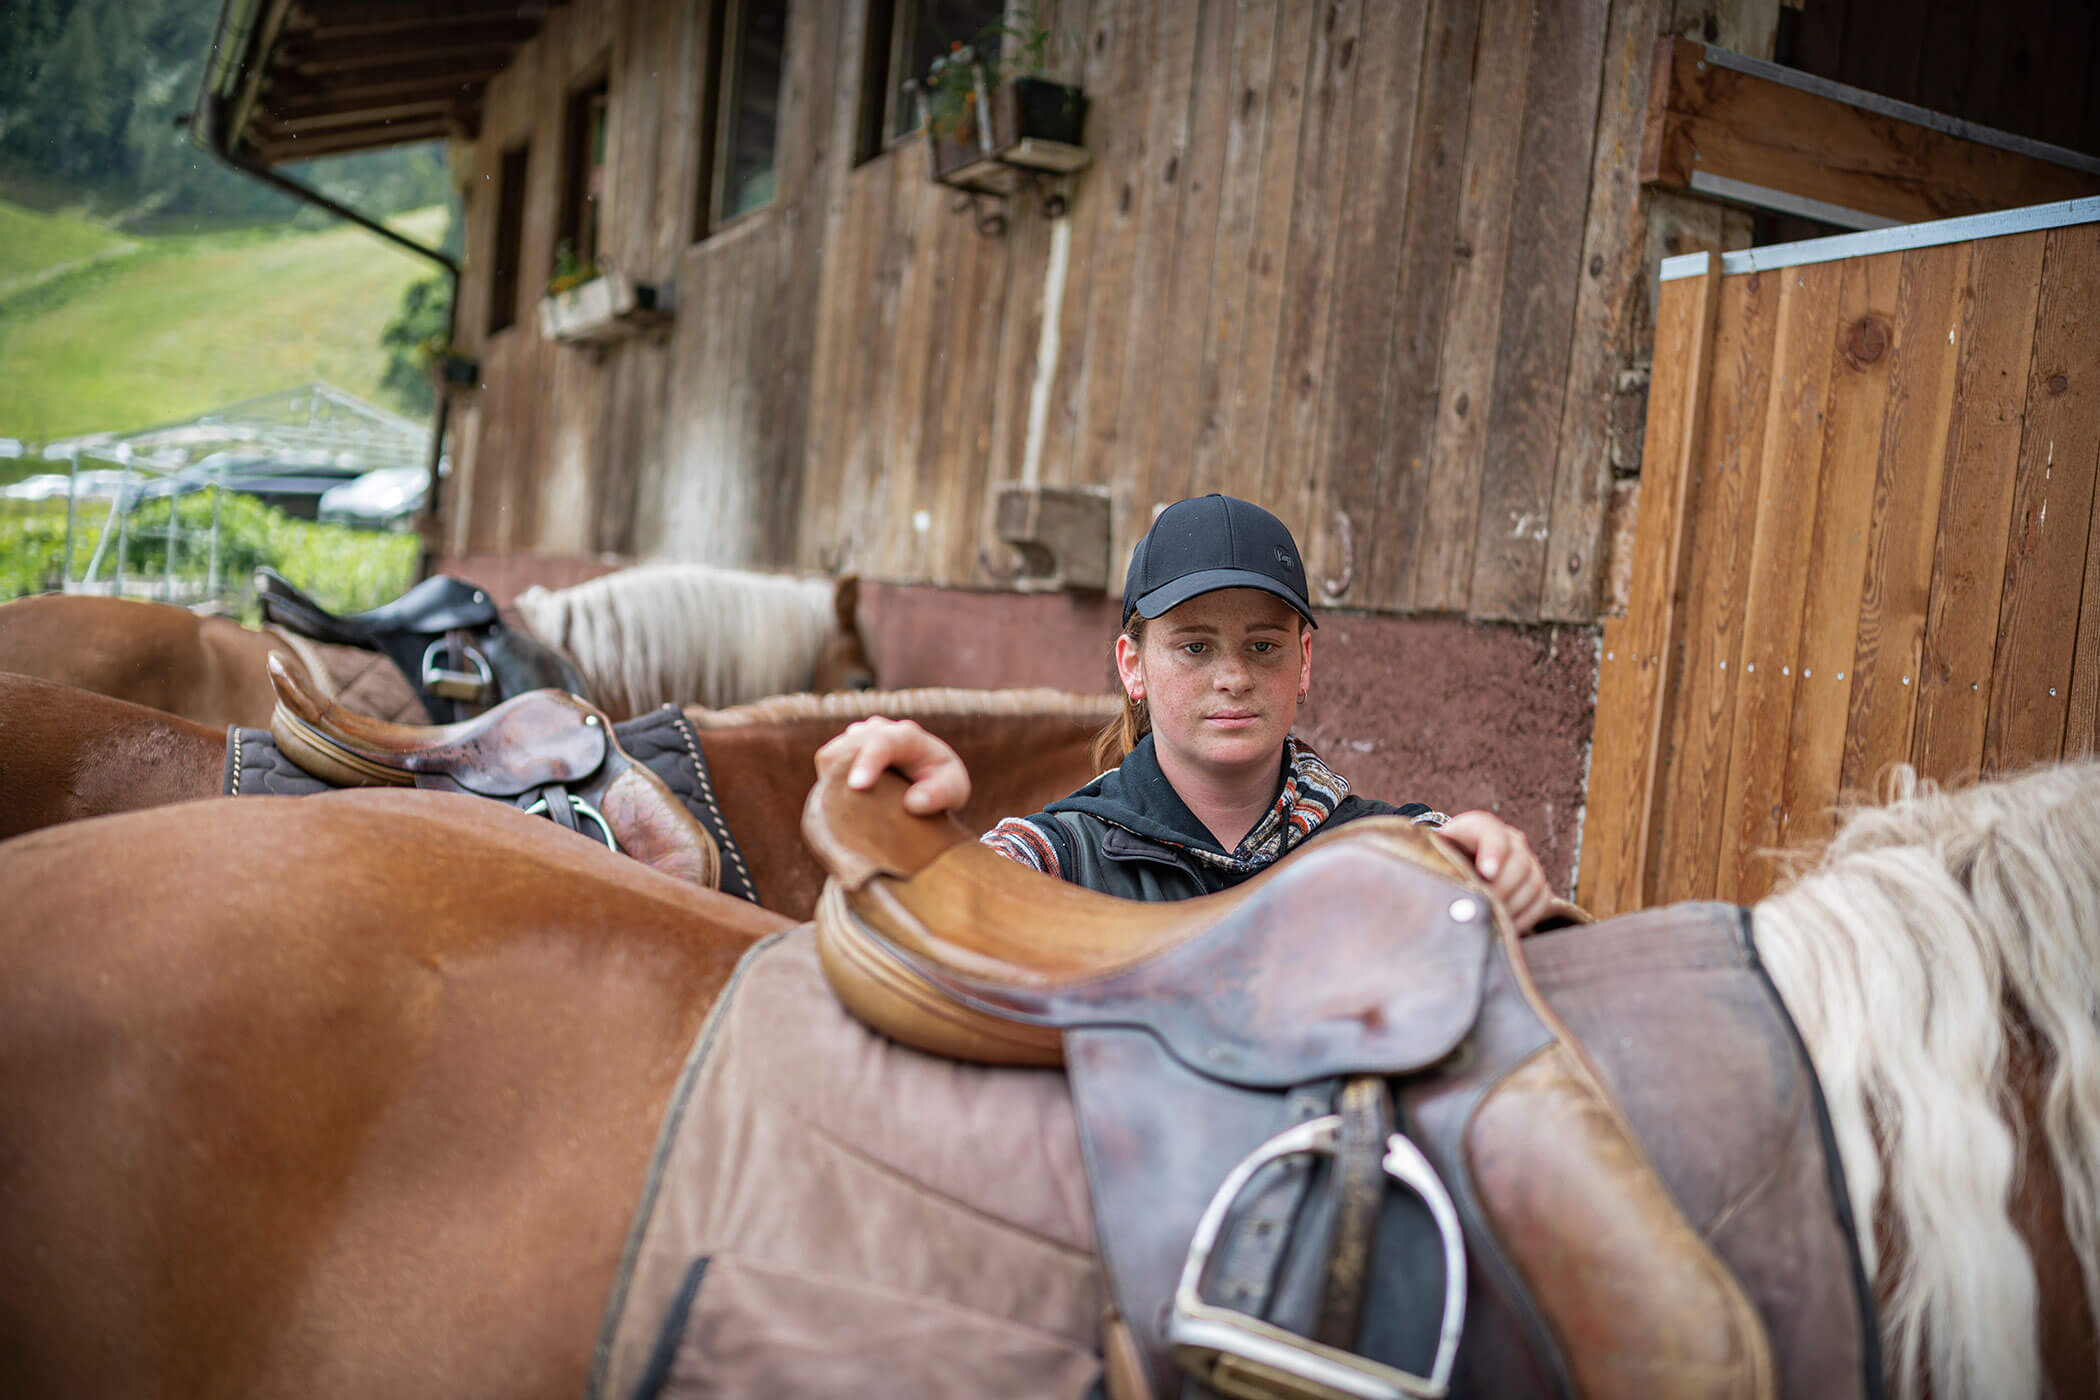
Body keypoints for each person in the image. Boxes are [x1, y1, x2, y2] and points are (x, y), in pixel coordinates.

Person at [814, 494, 1557, 931]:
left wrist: (1489, 859)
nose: (1232, 677)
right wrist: (906, 826)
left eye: (1262, 648)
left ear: (1304, 664)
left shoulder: (1386, 847)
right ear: (1132, 666)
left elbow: (1469, 868)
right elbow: (942, 911)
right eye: (1195, 648)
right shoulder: (1062, 855)